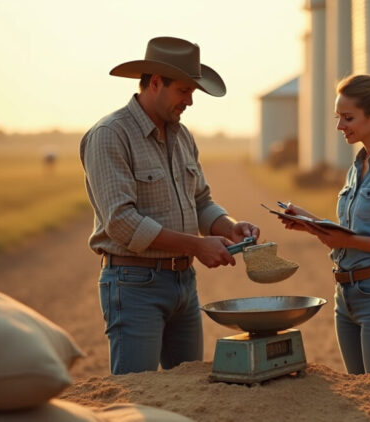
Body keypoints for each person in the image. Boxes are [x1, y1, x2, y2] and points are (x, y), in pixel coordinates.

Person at [80, 36, 260, 375]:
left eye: (193, 93)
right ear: (156, 83)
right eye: (184, 91)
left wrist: (228, 226)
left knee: (192, 389)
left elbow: (201, 201)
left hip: (183, 284)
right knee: (139, 395)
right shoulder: (110, 135)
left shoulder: (182, 136)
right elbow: (121, 222)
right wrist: (197, 245)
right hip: (134, 285)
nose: (190, 101)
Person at [279, 74, 370, 375]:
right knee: (362, 398)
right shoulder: (357, 166)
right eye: (338, 117)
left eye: (348, 117)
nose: (339, 126)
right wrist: (309, 221)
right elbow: (353, 231)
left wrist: (347, 242)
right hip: (345, 298)